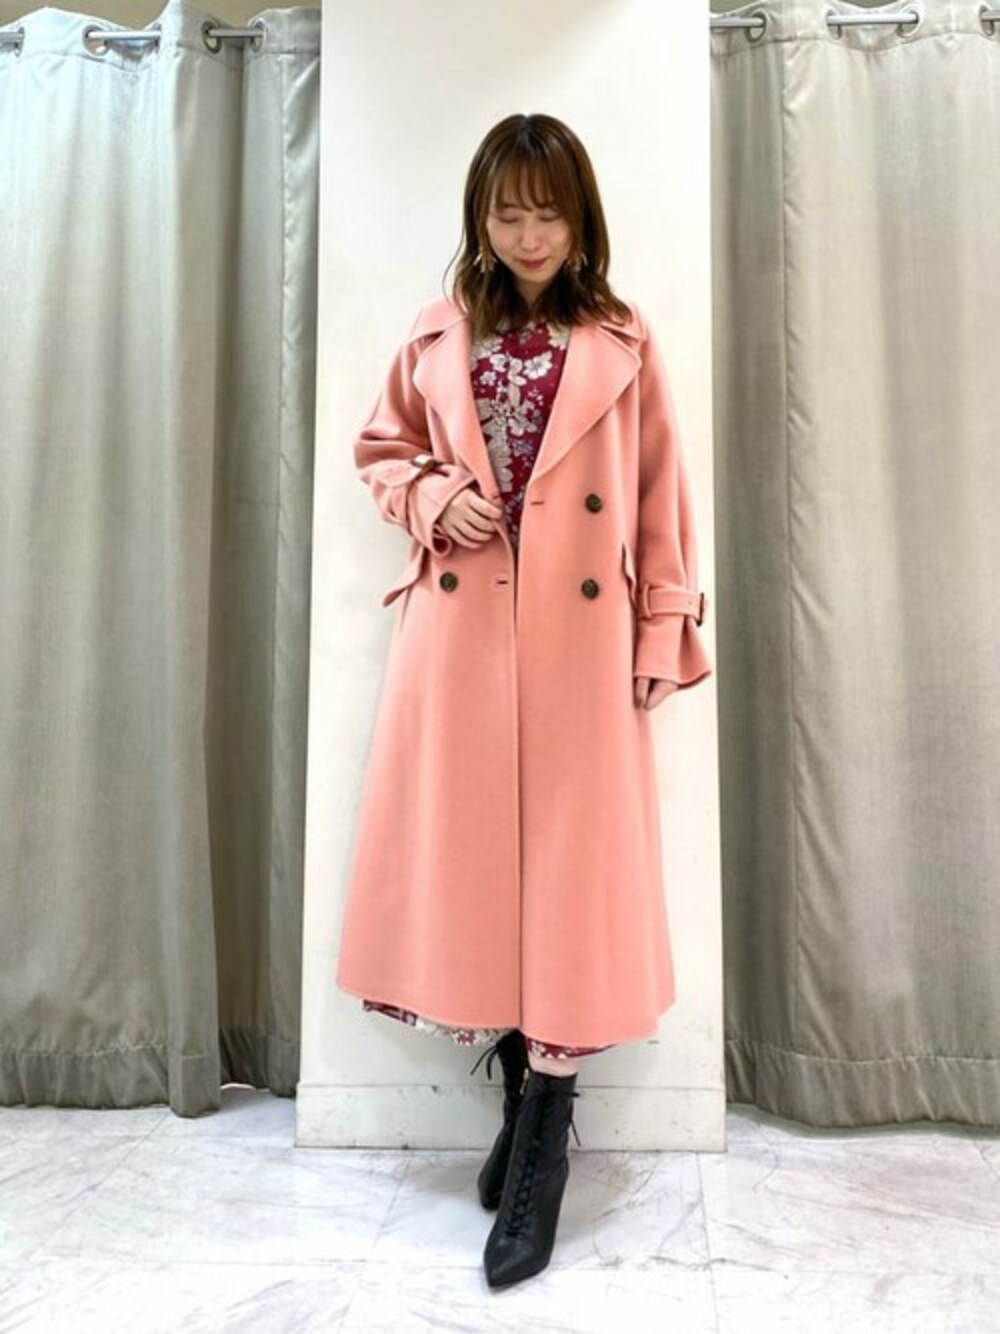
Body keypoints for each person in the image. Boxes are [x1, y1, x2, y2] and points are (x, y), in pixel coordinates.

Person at [335, 112, 712, 1289]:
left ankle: (545, 1133)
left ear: (579, 217)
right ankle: (517, 1101)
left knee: (572, 884)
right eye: (508, 212)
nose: (529, 232)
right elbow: (378, 449)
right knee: (478, 881)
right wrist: (428, 493)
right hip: (459, 640)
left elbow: (659, 494)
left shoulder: (621, 338)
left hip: (581, 641)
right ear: (481, 218)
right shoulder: (437, 329)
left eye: (548, 211)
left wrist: (662, 628)